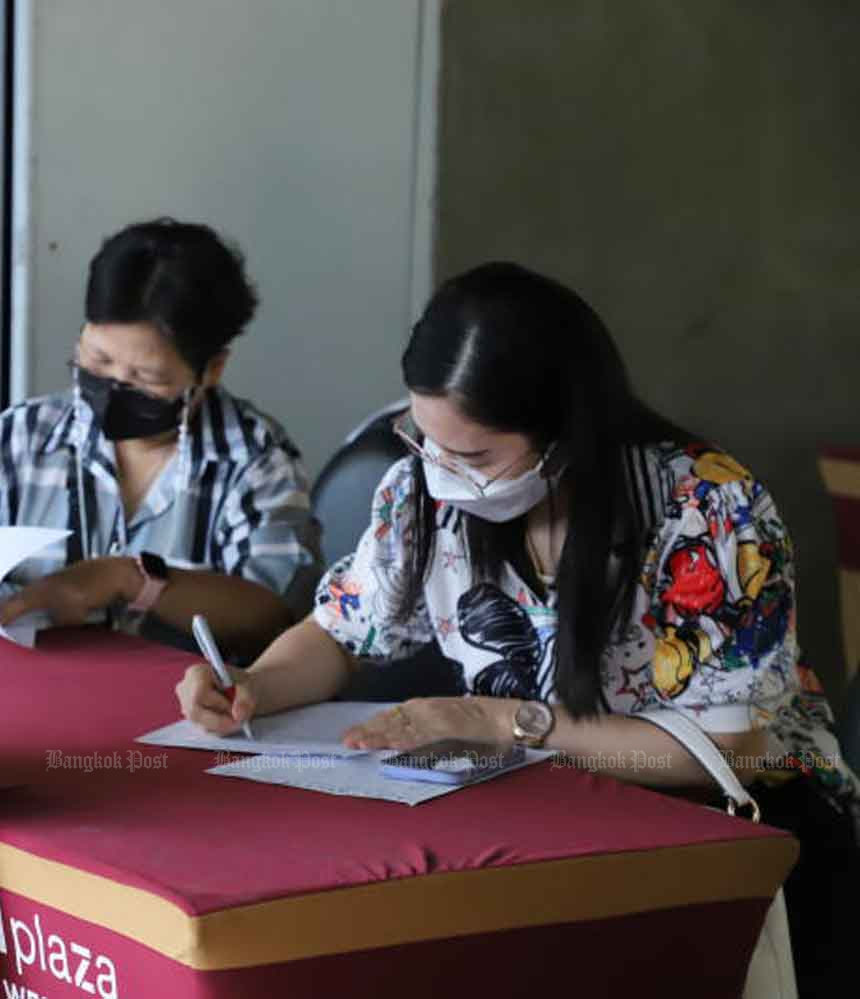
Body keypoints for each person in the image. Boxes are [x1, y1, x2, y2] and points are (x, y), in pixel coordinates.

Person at [176, 261, 860, 996]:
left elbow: (726, 754)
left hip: (737, 853)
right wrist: (254, 685)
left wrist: (497, 720)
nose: (439, 471)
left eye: (471, 455)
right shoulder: (423, 489)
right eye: (423, 438)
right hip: (551, 835)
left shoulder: (706, 509)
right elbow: (342, 630)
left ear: (564, 431)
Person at [0, 219, 322, 661]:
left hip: (183, 716)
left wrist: (132, 579)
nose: (114, 387)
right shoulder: (23, 440)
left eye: (146, 378)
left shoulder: (255, 461)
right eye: (99, 360)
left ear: (211, 370)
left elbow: (274, 612)